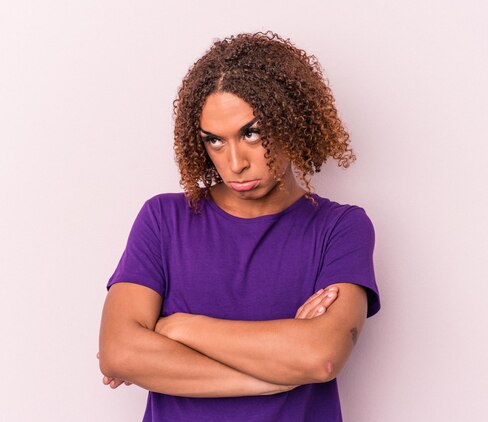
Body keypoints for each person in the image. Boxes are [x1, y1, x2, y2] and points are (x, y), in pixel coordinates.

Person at [98, 30, 381, 422]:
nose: (234, 162)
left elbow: (320, 357)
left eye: (252, 133)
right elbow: (120, 353)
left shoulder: (340, 228)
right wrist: (276, 377)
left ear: (291, 121)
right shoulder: (164, 219)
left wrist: (181, 327)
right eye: (214, 141)